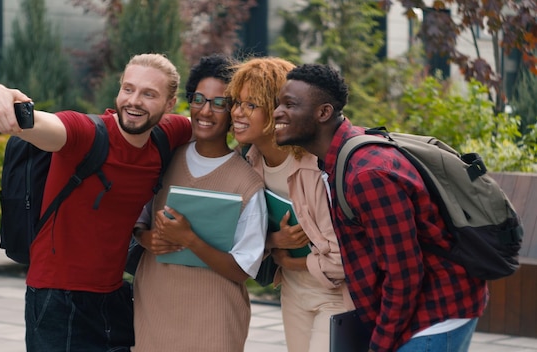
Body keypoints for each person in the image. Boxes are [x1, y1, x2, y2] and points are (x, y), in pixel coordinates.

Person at [0, 53, 192, 351]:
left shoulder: (167, 135)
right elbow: (33, 123)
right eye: (128, 89)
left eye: (149, 94)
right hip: (57, 299)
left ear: (169, 104)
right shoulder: (83, 134)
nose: (134, 101)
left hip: (116, 296)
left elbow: (211, 123)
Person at [273, 63, 489, 352]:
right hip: (415, 310)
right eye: (278, 104)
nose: (277, 112)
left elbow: (404, 274)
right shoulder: (338, 157)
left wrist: (379, 345)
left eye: (289, 105)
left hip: (433, 315)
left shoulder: (366, 175)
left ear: (324, 112)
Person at [130, 54, 267, 351]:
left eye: (219, 103)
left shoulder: (248, 183)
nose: (206, 111)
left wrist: (190, 239)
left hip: (215, 317)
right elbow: (136, 216)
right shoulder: (164, 158)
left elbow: (242, 270)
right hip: (154, 305)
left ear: (233, 110)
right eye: (199, 99)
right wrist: (146, 238)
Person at [226, 56, 353, 351]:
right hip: (294, 291)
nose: (237, 112)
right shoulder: (250, 160)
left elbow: (342, 260)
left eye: (250, 105)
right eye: (236, 102)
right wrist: (274, 241)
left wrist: (287, 260)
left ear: (277, 110)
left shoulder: (314, 165)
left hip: (335, 295)